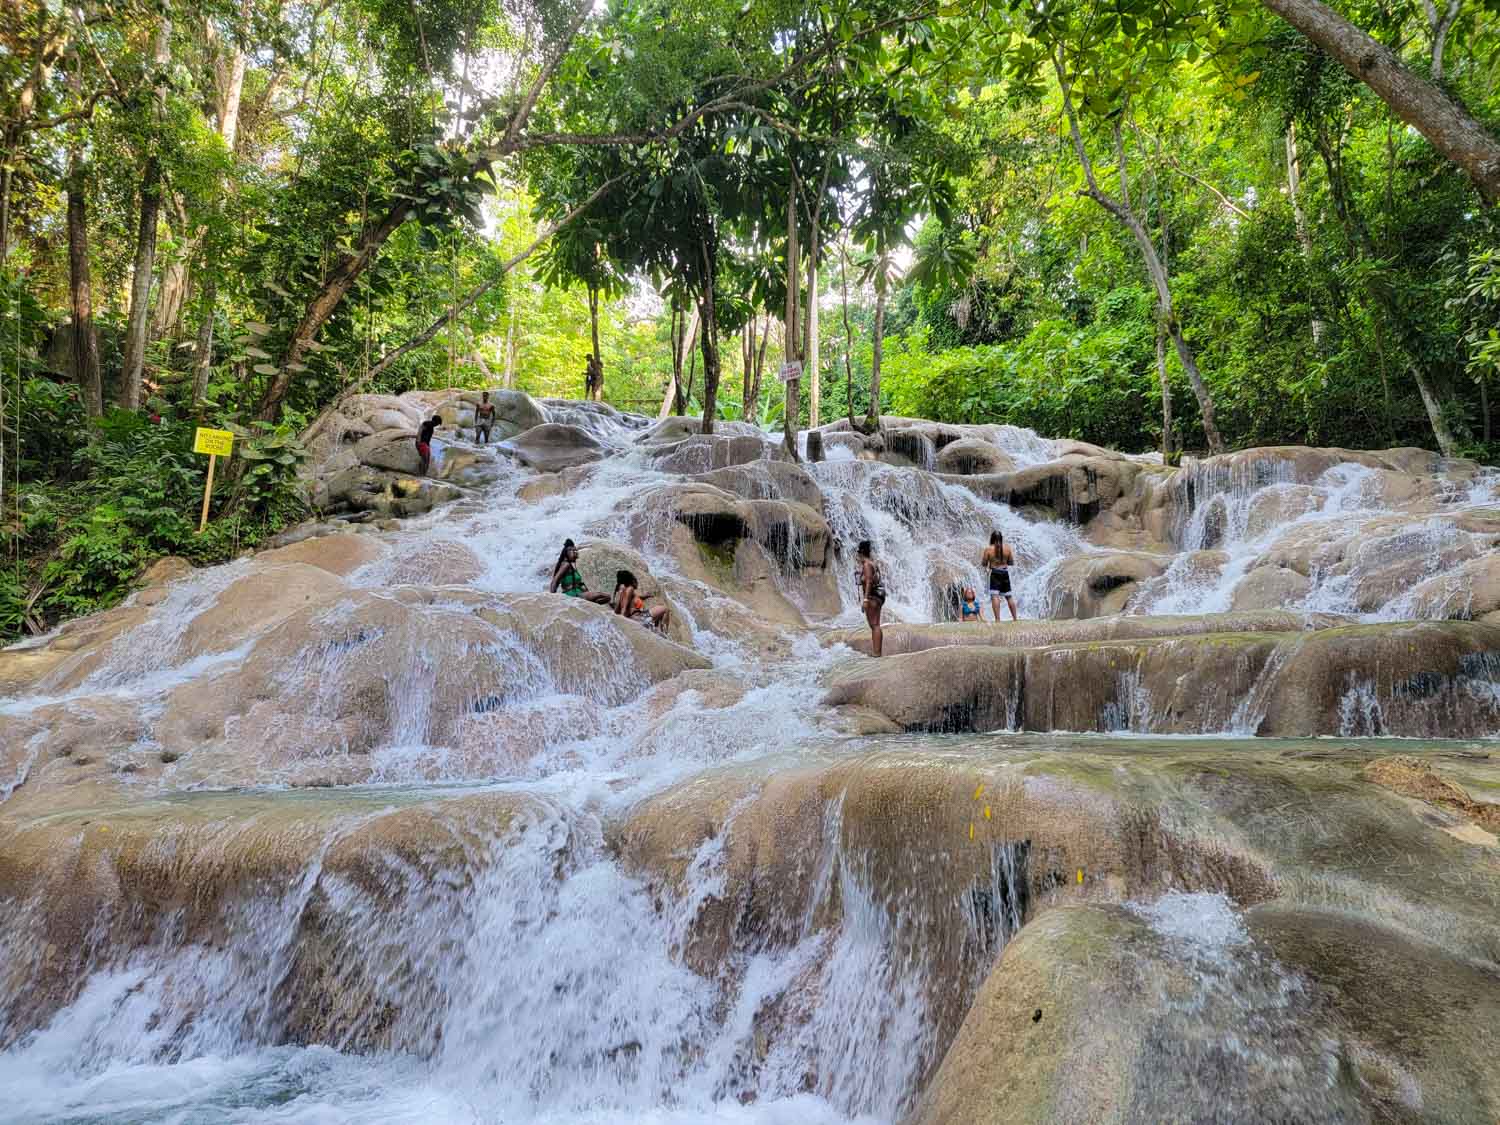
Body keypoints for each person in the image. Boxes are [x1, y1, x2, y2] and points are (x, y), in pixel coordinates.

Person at [549, 539, 611, 605]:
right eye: (573, 551)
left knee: (604, 597)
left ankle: (591, 605)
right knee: (605, 596)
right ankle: (591, 604)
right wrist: (552, 599)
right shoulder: (565, 564)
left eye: (576, 550)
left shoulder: (570, 565)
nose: (575, 553)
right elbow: (555, 580)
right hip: (573, 594)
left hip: (578, 593)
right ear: (566, 552)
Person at [856, 540, 886, 657]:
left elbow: (868, 581)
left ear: (861, 552)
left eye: (858, 553)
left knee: (874, 625)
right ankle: (877, 652)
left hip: (872, 597)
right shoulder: (873, 563)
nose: (857, 556)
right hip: (878, 596)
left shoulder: (867, 564)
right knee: (876, 624)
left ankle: (877, 653)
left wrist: (865, 600)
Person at [981, 530, 1019, 621]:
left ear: (992, 538)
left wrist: (992, 562)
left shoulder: (988, 549)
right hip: (1005, 573)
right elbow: (1011, 562)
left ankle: (998, 619)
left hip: (995, 573)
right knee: (1009, 596)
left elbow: (984, 563)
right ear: (1001, 538)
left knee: (995, 596)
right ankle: (1015, 618)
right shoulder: (1007, 548)